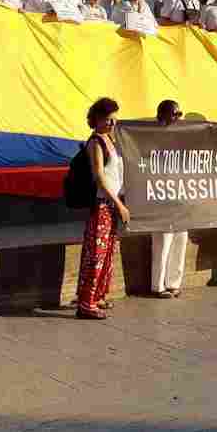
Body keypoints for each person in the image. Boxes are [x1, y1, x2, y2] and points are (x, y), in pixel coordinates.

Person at [75, 97, 129, 320]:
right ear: (97, 119)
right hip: (103, 204)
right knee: (95, 254)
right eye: (108, 119)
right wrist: (118, 204)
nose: (112, 123)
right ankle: (86, 303)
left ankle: (97, 295)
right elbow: (99, 176)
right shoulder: (96, 142)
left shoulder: (110, 140)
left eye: (114, 119)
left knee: (107, 254)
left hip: (112, 204)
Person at [150, 100, 189, 298]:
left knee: (180, 241)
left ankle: (174, 282)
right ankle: (158, 286)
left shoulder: (185, 138)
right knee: (162, 243)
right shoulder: (150, 138)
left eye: (179, 114)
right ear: (161, 116)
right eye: (173, 114)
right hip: (161, 197)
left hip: (181, 197)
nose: (176, 118)